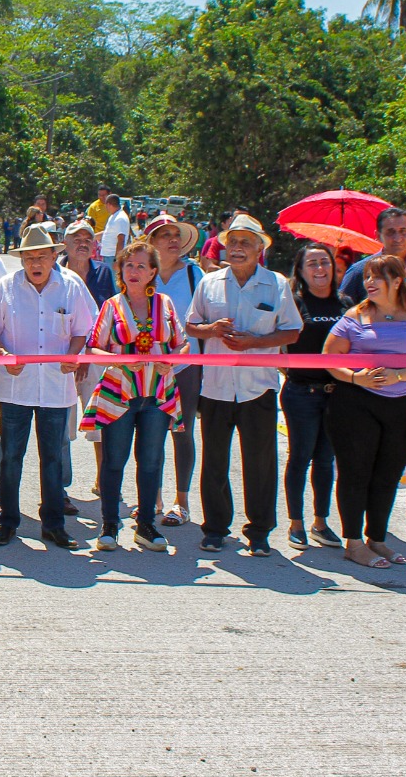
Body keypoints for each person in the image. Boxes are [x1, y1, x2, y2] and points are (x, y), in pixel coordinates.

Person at [0, 223, 98, 550]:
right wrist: (1, 354)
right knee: (11, 455)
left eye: (42, 256)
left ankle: (53, 524)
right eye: (29, 258)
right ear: (22, 260)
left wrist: (75, 355)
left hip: (56, 386)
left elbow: (84, 329)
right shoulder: (7, 286)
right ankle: (8, 522)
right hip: (16, 386)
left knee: (53, 457)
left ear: (54, 257)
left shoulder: (71, 285)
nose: (36, 263)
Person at [184, 214, 302, 556]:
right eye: (232, 242)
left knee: (260, 462)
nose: (237, 248)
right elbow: (191, 326)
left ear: (259, 249)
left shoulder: (276, 284)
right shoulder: (209, 283)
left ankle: (260, 531)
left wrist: (255, 343)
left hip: (258, 387)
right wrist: (211, 330)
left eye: (245, 243)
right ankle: (215, 528)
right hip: (216, 386)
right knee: (214, 461)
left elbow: (292, 331)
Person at [322, 254, 406, 569]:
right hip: (354, 403)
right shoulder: (355, 314)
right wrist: (356, 377)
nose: (369, 283)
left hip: (402, 405)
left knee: (388, 475)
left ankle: (376, 539)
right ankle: (353, 543)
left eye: (377, 277)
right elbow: (329, 357)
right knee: (355, 473)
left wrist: (399, 376)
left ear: (397, 281)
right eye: (367, 277)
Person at [338, 206, 406, 546]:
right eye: (390, 232)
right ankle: (369, 524)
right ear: (378, 236)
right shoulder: (360, 272)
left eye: (404, 231)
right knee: (369, 456)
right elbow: (344, 316)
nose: (398, 237)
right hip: (370, 383)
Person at [82, 240, 188, 552]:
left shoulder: (165, 304)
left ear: (153, 272)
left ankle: (146, 525)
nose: (134, 271)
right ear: (121, 269)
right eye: (129, 265)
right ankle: (109, 525)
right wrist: (117, 360)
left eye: (142, 266)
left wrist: (173, 359)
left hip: (157, 393)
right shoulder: (111, 306)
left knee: (151, 461)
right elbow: (93, 347)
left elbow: (182, 344)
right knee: (114, 460)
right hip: (119, 393)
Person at [280, 242, 342, 551]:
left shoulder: (346, 303)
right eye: (312, 264)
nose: (320, 268)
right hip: (301, 393)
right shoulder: (294, 302)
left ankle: (320, 522)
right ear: (301, 272)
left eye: (324, 262)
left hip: (337, 394)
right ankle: (296, 524)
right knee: (300, 458)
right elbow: (281, 343)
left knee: (326, 460)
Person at [146, 213, 204, 526]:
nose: (173, 240)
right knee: (151, 434)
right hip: (149, 368)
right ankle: (152, 498)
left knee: (182, 432)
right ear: (152, 243)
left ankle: (182, 503)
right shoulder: (143, 273)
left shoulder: (195, 274)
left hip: (187, 366)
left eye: (176, 235)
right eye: (165, 235)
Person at [59, 219, 116, 509]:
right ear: (65, 243)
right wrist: (76, 354)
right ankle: (60, 488)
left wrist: (89, 353)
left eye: (88, 239)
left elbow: (111, 313)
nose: (82, 243)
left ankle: (104, 480)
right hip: (63, 358)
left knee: (101, 422)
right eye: (76, 238)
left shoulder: (104, 272)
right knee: (62, 425)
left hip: (96, 356)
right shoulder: (55, 271)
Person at [99, 192, 131, 263]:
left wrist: (117, 260)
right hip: (107, 255)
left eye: (106, 205)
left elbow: (121, 240)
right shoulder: (113, 216)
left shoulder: (120, 218)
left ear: (109, 204)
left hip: (112, 256)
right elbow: (107, 232)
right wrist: (92, 237)